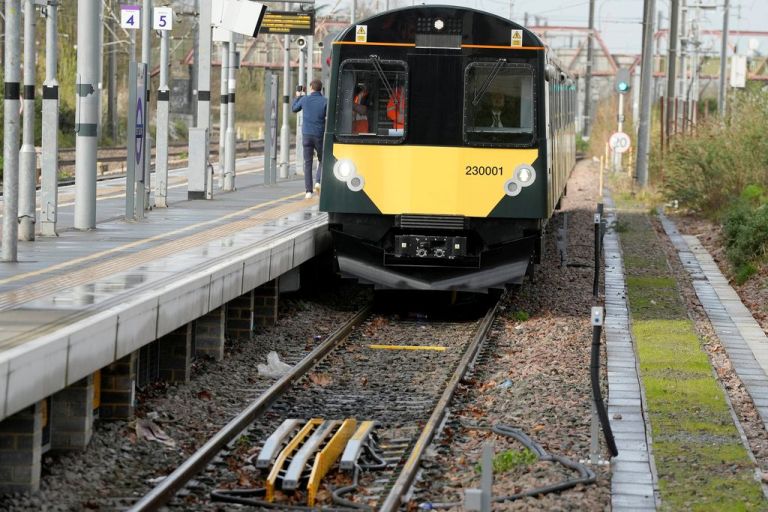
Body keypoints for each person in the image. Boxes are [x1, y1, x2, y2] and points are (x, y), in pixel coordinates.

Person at [292, 79, 327, 198]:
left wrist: (298, 97)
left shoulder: (304, 99)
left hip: (306, 135)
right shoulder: (325, 101)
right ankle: (318, 181)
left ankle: (308, 191)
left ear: (311, 87)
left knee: (308, 163)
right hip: (319, 135)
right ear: (321, 89)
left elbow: (294, 109)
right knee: (323, 159)